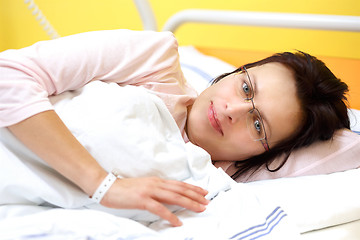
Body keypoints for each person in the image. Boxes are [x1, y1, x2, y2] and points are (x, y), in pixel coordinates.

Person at [0, 29, 349, 226]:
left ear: (262, 154)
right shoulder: (153, 60)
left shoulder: (211, 185)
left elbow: (347, 153)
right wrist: (102, 185)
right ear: (235, 72)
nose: (232, 110)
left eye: (257, 124)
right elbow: (8, 77)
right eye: (246, 88)